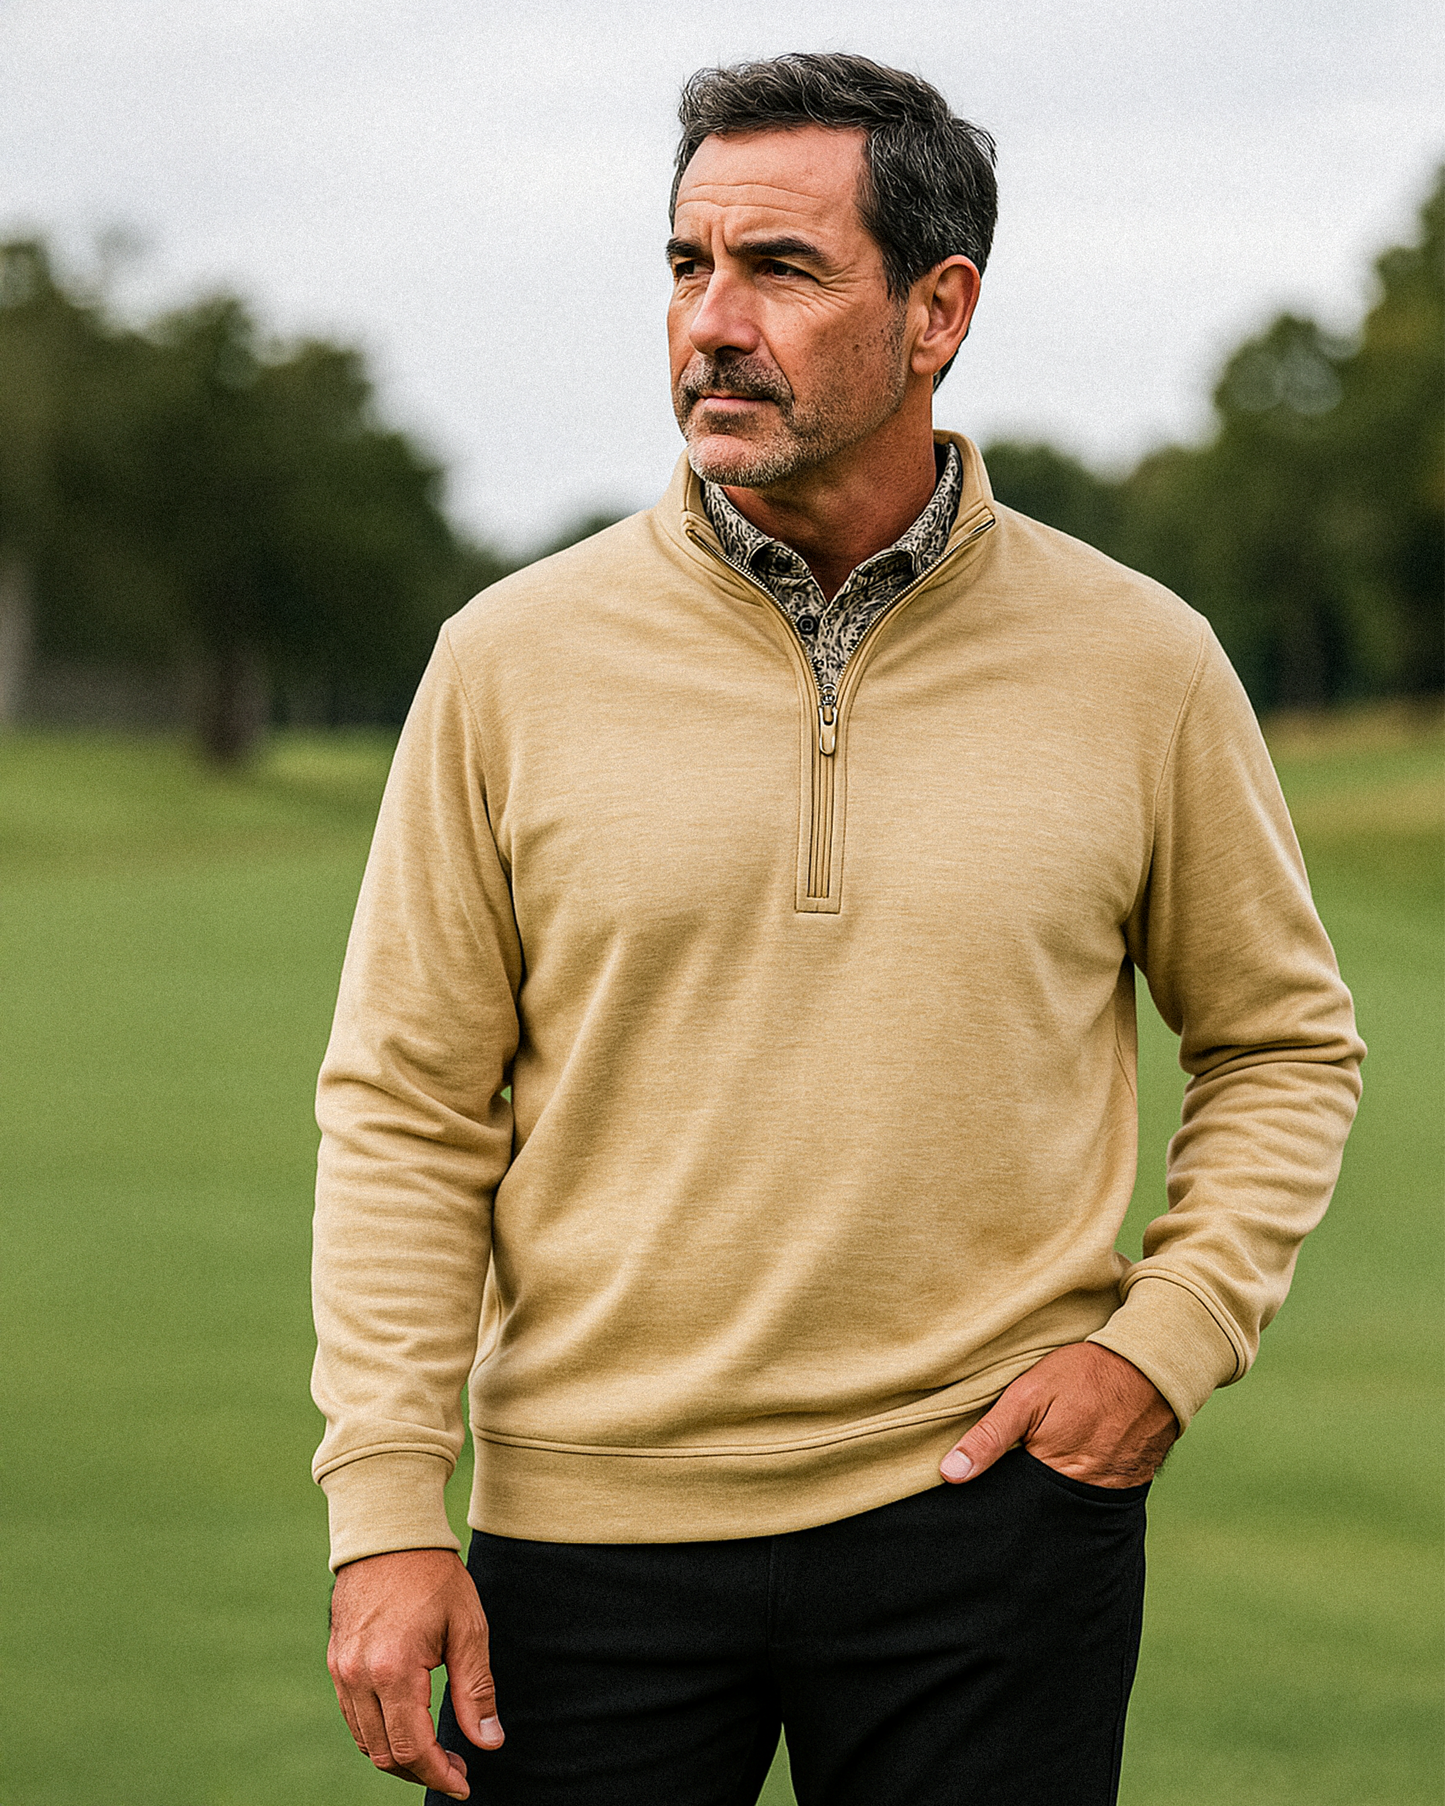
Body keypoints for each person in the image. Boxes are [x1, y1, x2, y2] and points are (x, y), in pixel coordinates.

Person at [312, 52, 1363, 1806]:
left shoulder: (1144, 661)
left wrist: (1165, 1342)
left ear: (939, 309)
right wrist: (382, 1509)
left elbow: (1280, 1039)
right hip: (585, 1545)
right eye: (684, 264)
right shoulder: (507, 659)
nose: (711, 322)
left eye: (780, 269)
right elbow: (407, 1107)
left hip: (991, 1527)